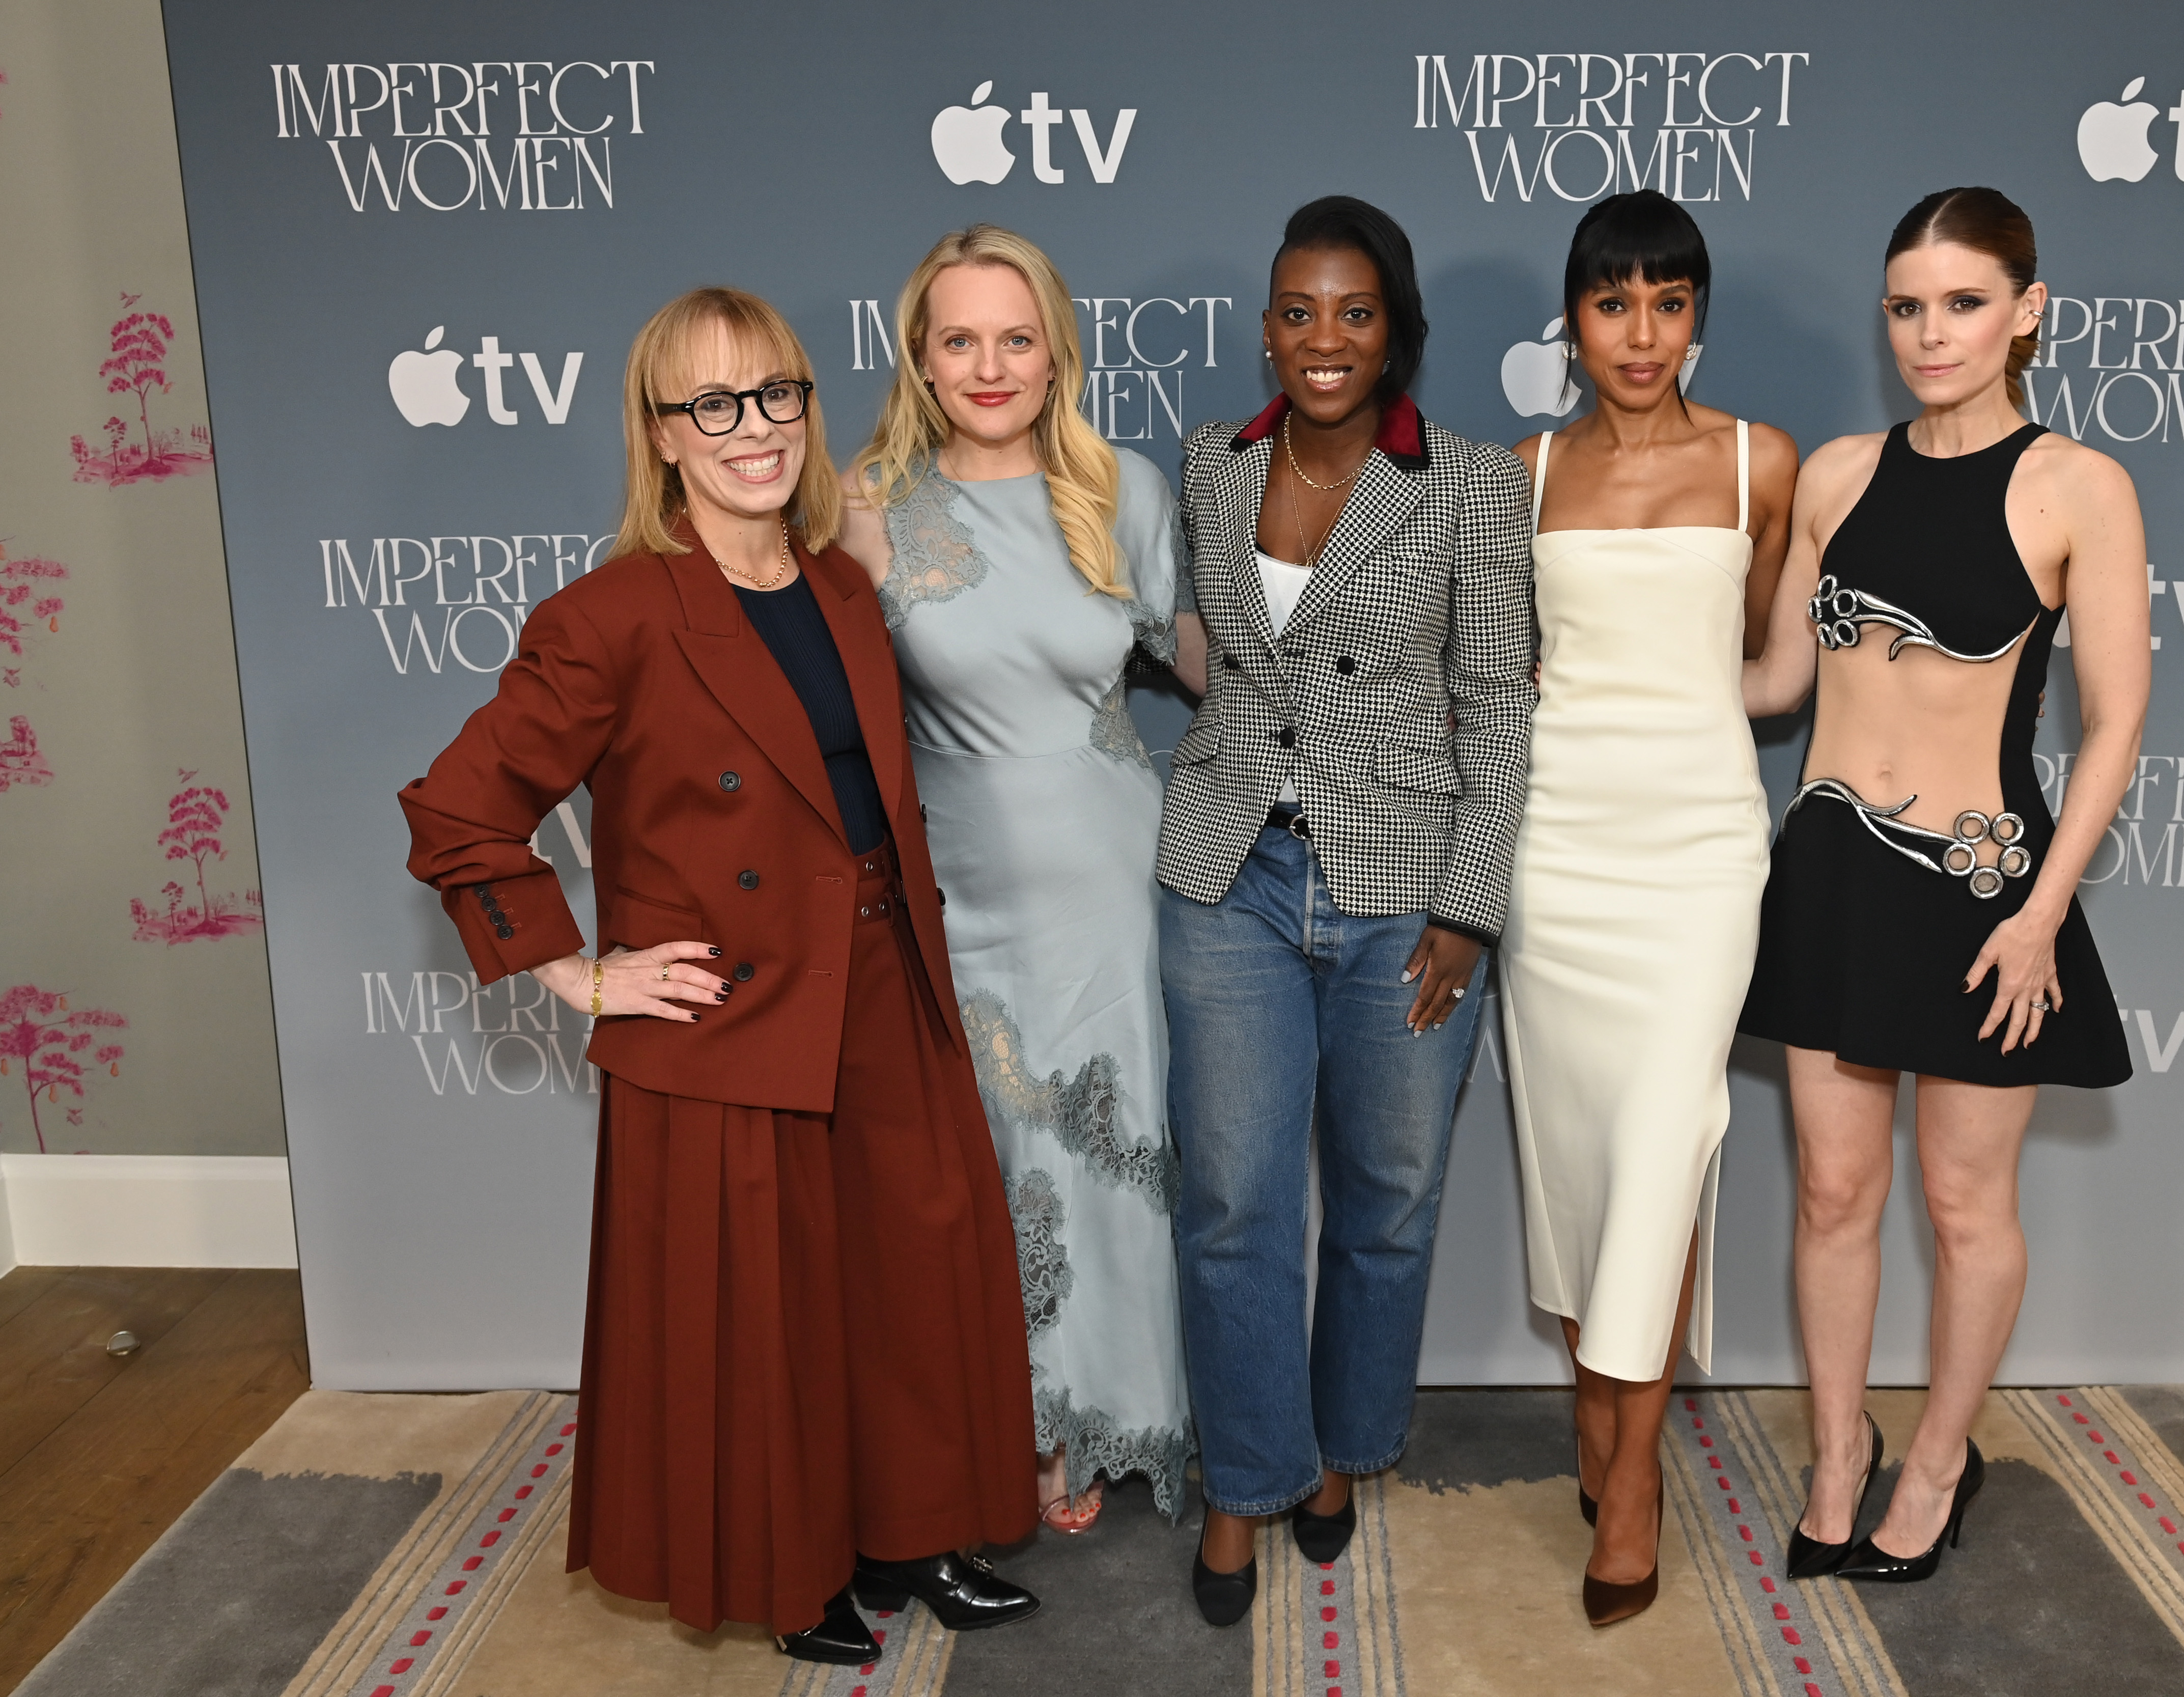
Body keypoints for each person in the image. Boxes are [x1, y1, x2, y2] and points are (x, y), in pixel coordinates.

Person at [399, 287, 1042, 1666]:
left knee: (914, 1273)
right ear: (663, 435)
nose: (752, 429)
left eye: (777, 395)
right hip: (735, 1010)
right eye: (714, 404)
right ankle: (797, 1568)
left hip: (889, 981)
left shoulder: (842, 586)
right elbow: (459, 808)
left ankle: (913, 1530)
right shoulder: (616, 613)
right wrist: (578, 970)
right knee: (769, 1310)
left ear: (809, 409)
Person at [1740, 188, 2147, 1583]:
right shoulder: (1841, 472)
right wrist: (1610, 680)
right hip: (1833, 878)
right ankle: (1840, 1449)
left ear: (2027, 309)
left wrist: (2040, 913)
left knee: (1967, 1204)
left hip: (1987, 897)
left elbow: (2115, 723)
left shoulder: (2078, 485)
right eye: (1908, 305)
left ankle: (1937, 1457)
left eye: (1965, 302)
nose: (1932, 331)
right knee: (1831, 1197)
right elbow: (1784, 682)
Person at [1161, 196, 1534, 1625]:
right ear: (1268, 327)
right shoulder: (1208, 464)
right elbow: (1202, 649)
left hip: (1406, 899)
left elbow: (1500, 712)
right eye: (1300, 312)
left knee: (1387, 1199)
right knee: (1234, 1200)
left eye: (1356, 312)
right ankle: (1248, 1481)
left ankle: (1341, 1453)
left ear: (1397, 329)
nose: (1326, 338)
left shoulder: (1473, 485)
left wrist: (1470, 912)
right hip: (1229, 876)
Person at [841, 225, 1193, 1535]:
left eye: (1015, 337)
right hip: (956, 900)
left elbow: (1213, 667)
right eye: (959, 340)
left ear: (1056, 350)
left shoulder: (1125, 490)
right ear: (922, 360)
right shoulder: (865, 501)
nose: (989, 365)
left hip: (1111, 885)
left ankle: (1110, 1413)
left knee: (1114, 1154)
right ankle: (1017, 1417)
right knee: (992, 1169)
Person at [1499, 190, 1797, 1626]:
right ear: (1575, 319)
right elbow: (1500, 667)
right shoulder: (1523, 470)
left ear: (1697, 314)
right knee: (1577, 1163)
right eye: (1614, 303)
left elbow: (1759, 660)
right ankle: (1594, 1411)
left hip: (1696, 851)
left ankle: (1634, 1480)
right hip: (1556, 853)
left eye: (1668, 302)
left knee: (1666, 1147)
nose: (1641, 332)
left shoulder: (1761, 463)